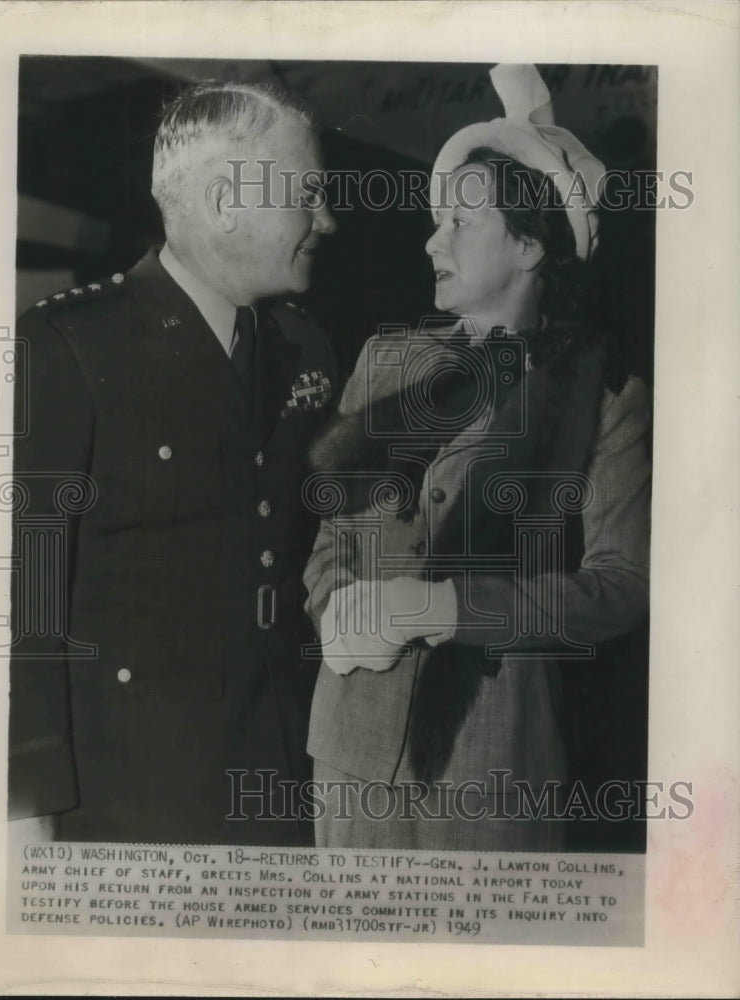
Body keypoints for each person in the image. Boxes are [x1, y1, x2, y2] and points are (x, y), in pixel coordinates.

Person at [303, 64, 651, 850]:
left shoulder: (603, 399)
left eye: (461, 221)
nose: (433, 239)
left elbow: (622, 588)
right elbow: (330, 542)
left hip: (494, 772)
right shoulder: (386, 365)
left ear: (529, 244)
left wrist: (446, 609)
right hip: (351, 761)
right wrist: (334, 613)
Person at [8, 79, 337, 846]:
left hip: (277, 789)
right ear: (227, 201)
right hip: (127, 803)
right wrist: (26, 814)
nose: (327, 219)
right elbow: (24, 603)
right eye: (309, 194)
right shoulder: (68, 347)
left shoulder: (305, 348)